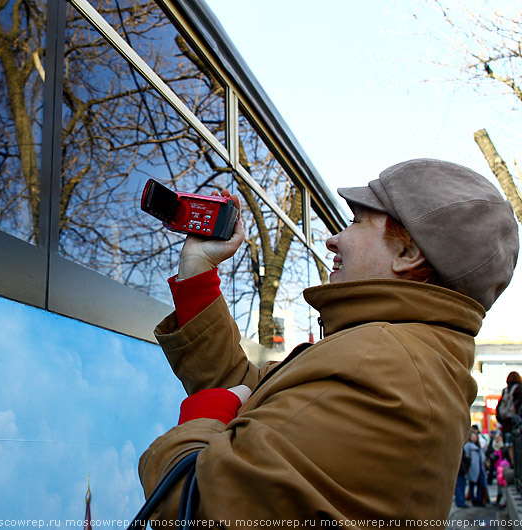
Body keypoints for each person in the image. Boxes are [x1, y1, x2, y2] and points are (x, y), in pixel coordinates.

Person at [138, 159, 519, 526]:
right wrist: (198, 274)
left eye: (355, 222)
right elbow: (250, 396)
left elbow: (197, 506)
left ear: (408, 253)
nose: (334, 239)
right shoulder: (394, 354)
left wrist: (202, 418)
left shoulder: (378, 363)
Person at [497, 372, 522, 446]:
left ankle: (511, 458)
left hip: (506, 425)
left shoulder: (505, 391)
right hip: (517, 423)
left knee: (509, 446)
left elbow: (499, 408)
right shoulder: (519, 389)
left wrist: (502, 420)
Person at [464, 431, 486, 506]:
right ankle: (473, 499)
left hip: (480, 468)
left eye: (475, 436)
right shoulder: (468, 446)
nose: (474, 438)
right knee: (472, 485)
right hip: (472, 468)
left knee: (480, 484)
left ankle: (479, 499)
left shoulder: (478, 446)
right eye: (472, 436)